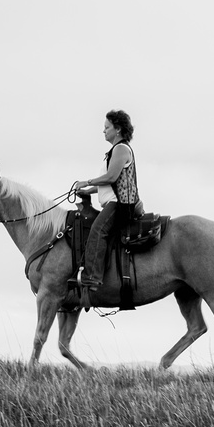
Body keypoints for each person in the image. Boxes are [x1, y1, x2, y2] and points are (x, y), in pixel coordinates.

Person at [74, 110, 141, 305]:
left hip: (119, 205)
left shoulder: (121, 149)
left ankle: (92, 278)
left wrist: (86, 182)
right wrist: (89, 192)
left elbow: (111, 177)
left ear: (118, 129)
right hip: (112, 201)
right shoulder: (114, 150)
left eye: (107, 127)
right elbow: (109, 182)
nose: (103, 131)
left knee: (97, 230)